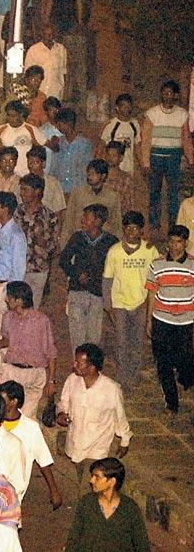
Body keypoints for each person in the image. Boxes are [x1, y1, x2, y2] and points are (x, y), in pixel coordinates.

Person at [57, 343, 132, 491]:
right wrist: (61, 414)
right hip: (75, 443)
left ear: (91, 367)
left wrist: (125, 439)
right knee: (83, 480)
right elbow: (64, 403)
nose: (74, 365)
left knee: (87, 487)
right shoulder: (72, 380)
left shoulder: (111, 389)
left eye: (79, 363)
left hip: (97, 448)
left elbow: (120, 416)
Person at [0, 281, 56, 418]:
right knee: (1, 413)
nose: (6, 300)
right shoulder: (8, 317)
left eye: (9, 297)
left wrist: (51, 381)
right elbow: (7, 340)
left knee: (24, 418)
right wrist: (0, 344)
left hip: (33, 374)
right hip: (12, 371)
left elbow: (51, 353)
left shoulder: (41, 320)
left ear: (19, 300)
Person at [103, 211, 159, 387]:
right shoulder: (115, 251)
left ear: (141, 231)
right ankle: (122, 376)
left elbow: (156, 277)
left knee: (136, 342)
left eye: (135, 229)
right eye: (127, 228)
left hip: (141, 303)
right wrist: (108, 305)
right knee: (121, 341)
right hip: (119, 303)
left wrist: (151, 303)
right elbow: (107, 279)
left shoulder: (149, 251)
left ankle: (133, 375)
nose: (131, 232)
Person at [144, 224, 194, 415]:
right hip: (162, 320)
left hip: (185, 322)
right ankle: (171, 403)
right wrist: (149, 320)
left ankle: (186, 378)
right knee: (163, 363)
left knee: (184, 360)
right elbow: (151, 294)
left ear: (185, 243)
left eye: (179, 242)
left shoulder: (192, 265)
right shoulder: (157, 265)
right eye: (171, 241)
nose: (175, 246)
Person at [0, 380, 63, 512]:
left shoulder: (31, 428)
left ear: (14, 402)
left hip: (14, 490)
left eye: (3, 400)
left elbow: (43, 460)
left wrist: (54, 491)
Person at [63, 457, 151, 552]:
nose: (91, 480)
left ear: (111, 481)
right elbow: (74, 536)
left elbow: (141, 543)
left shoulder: (129, 508)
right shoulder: (87, 502)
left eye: (97, 477)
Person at [60, 204, 119, 347]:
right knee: (77, 336)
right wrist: (76, 274)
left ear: (98, 221)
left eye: (87, 217)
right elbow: (64, 260)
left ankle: (91, 367)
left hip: (98, 294)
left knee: (94, 336)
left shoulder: (111, 242)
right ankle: (79, 367)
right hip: (77, 291)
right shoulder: (77, 237)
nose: (83, 220)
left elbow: (115, 269)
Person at [140, 80, 191, 232]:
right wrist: (146, 162)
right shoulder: (152, 113)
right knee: (155, 192)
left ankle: (172, 226)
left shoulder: (182, 114)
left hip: (174, 157)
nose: (167, 96)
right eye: (164, 92)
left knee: (173, 193)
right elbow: (146, 140)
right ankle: (155, 226)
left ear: (175, 95)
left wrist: (190, 158)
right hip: (156, 156)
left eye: (170, 93)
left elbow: (186, 139)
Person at [0, 192, 26, 367]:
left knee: (6, 330)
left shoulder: (16, 235)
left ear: (6, 209)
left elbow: (18, 269)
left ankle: (8, 369)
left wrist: (12, 295)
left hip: (5, 287)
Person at [15, 173, 59, 309]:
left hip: (38, 270)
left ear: (37, 191)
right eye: (21, 189)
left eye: (25, 189)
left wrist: (41, 245)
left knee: (32, 310)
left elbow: (53, 246)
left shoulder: (49, 216)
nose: (22, 193)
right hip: (17, 268)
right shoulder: (16, 212)